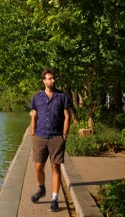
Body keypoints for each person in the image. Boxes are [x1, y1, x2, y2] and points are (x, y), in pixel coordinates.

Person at [29, 69, 70, 212]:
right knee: (38, 166)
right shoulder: (37, 97)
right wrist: (32, 132)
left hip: (56, 137)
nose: (53, 81)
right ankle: (41, 189)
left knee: (55, 167)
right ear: (44, 81)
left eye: (53, 78)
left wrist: (64, 134)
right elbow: (33, 115)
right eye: (50, 78)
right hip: (39, 137)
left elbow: (67, 116)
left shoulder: (62, 96)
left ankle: (54, 198)